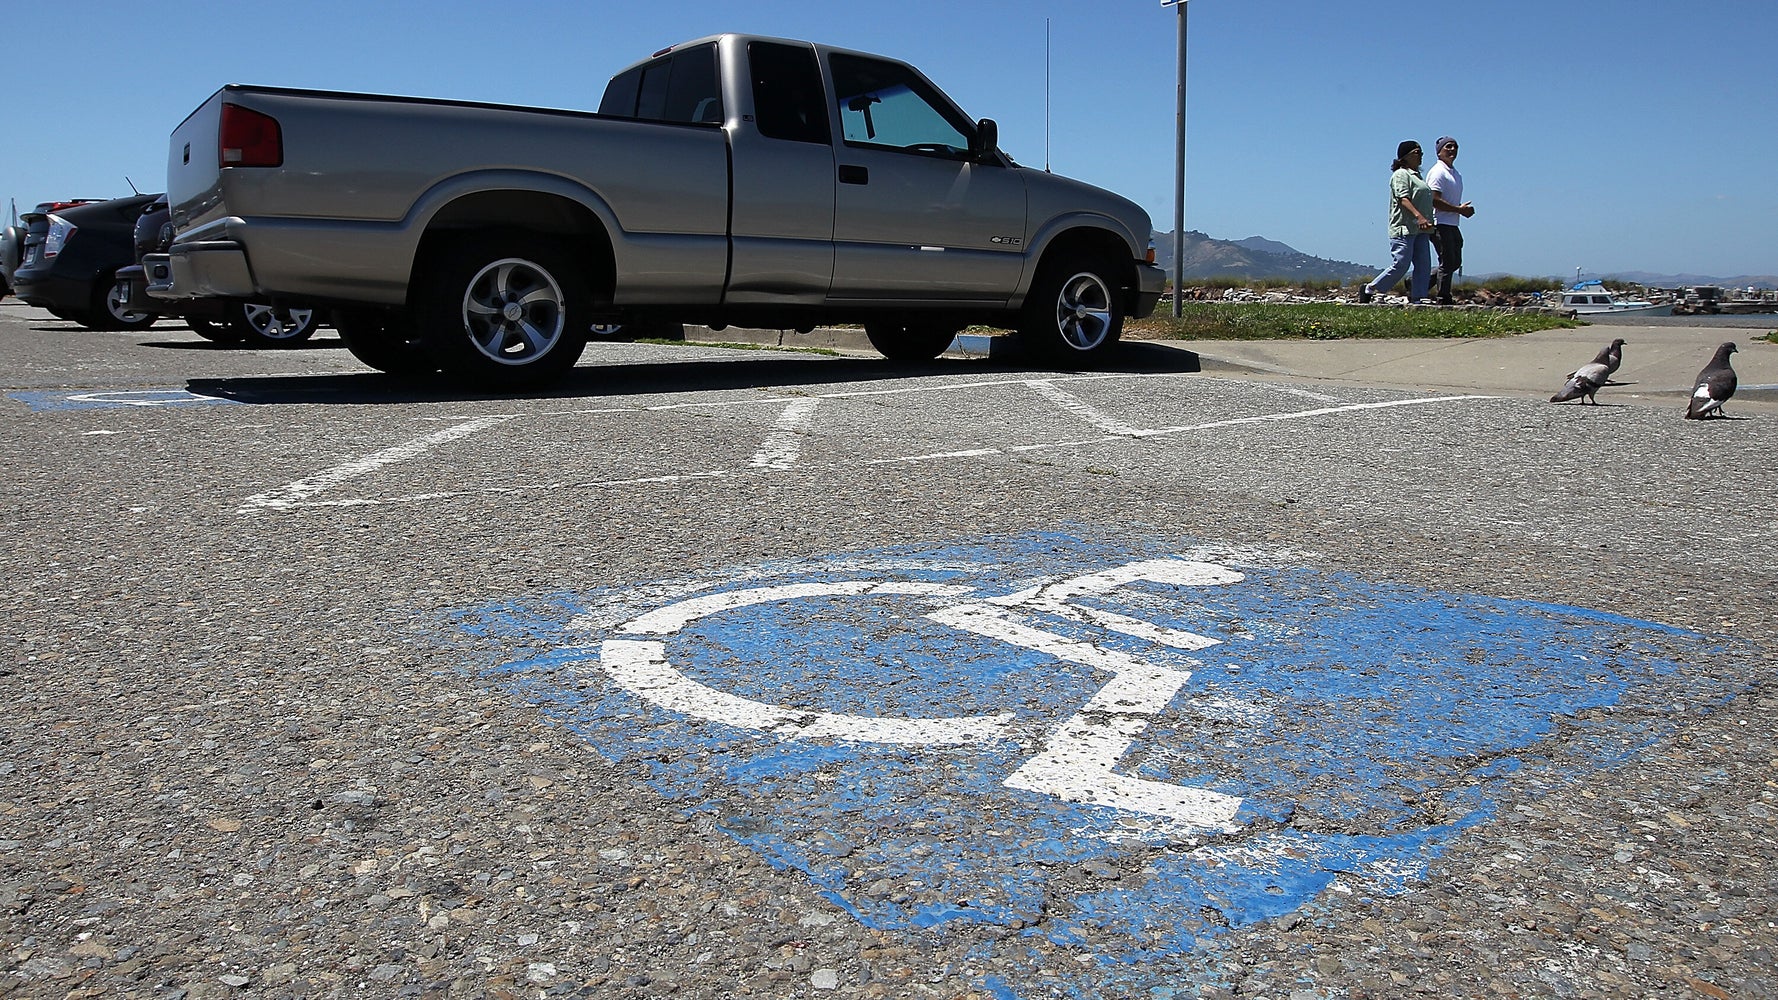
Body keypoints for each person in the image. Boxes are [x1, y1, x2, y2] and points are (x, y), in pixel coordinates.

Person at [1357, 140, 1435, 304]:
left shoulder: (1418, 177)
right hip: (1404, 227)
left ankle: (1419, 297)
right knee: (1401, 263)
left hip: (1421, 230)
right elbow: (1403, 199)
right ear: (1405, 156)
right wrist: (1418, 216)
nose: (1420, 156)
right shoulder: (1401, 175)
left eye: (1421, 152)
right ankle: (1371, 288)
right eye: (1416, 152)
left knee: (1423, 265)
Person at [1426, 135, 1475, 305]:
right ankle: (1443, 298)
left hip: (1453, 223)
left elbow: (1448, 200)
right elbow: (1434, 199)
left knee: (1455, 262)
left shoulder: (1455, 174)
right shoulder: (1438, 172)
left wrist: (1461, 209)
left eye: (1455, 146)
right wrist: (1459, 210)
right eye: (1448, 147)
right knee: (1447, 261)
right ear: (1439, 152)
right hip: (1440, 223)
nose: (1452, 150)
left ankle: (1419, 283)